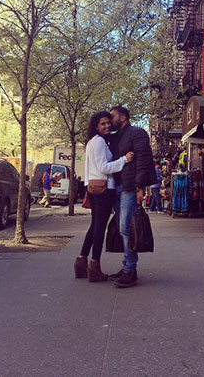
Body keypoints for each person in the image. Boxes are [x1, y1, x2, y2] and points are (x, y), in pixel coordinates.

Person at [74, 111, 134, 282]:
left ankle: (81, 261)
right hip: (104, 190)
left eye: (108, 122)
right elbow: (104, 167)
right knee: (100, 228)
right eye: (103, 124)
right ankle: (94, 266)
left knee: (95, 225)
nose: (107, 126)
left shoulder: (92, 142)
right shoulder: (99, 142)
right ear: (96, 126)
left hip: (93, 188)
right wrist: (124, 160)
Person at [109, 106, 157, 288]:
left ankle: (130, 270)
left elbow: (144, 161)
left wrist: (140, 187)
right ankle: (126, 266)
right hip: (117, 187)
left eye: (112, 116)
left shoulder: (137, 133)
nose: (110, 120)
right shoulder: (115, 137)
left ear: (122, 117)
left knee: (125, 228)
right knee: (123, 228)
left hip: (130, 187)